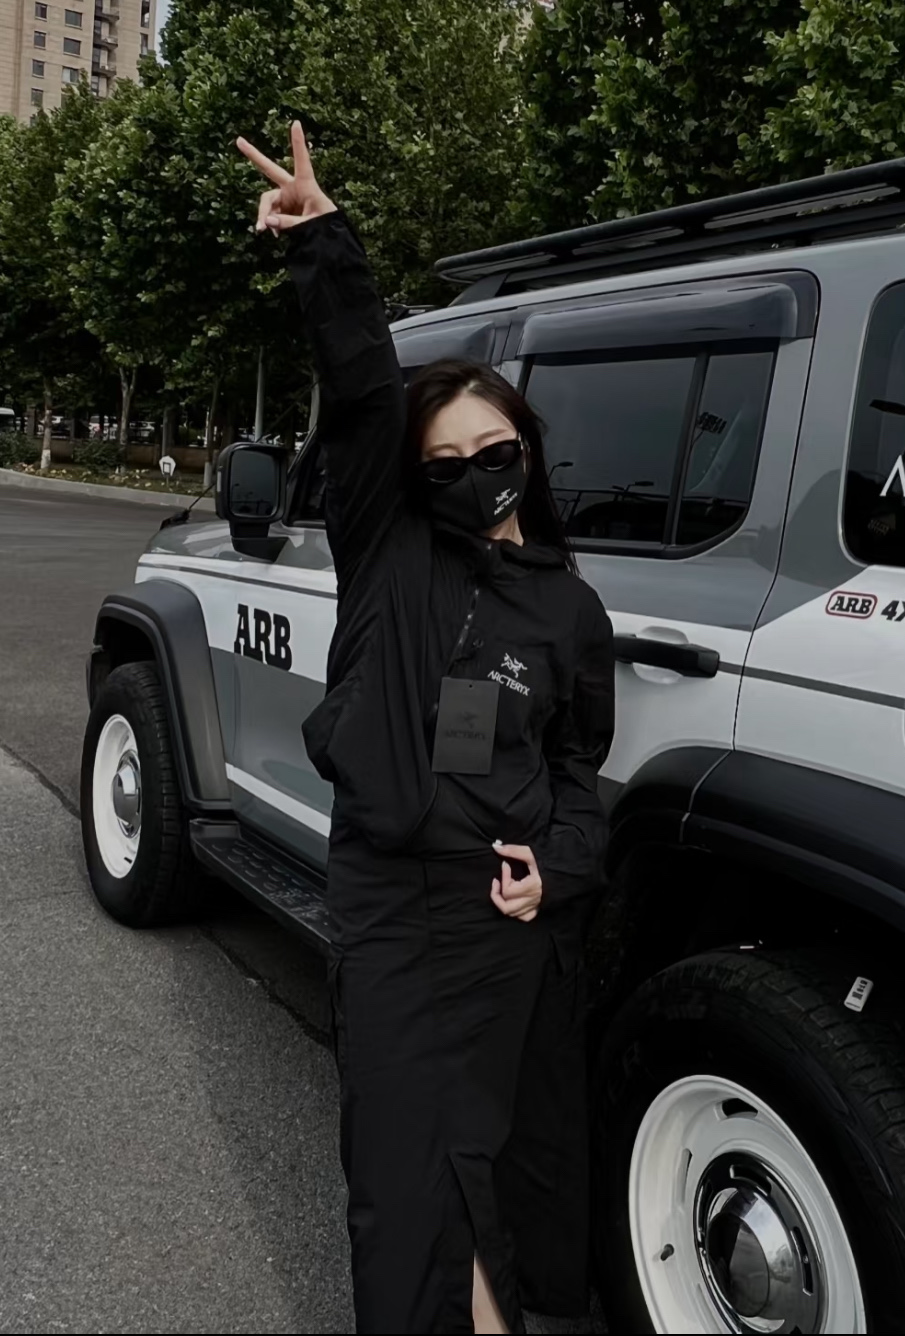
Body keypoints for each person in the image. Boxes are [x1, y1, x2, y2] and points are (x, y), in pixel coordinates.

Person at [236, 123, 616, 1335]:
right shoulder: (388, 546)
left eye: (490, 452)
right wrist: (323, 246)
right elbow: (358, 392)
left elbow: (578, 768)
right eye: (442, 459)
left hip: (498, 914)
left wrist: (558, 867)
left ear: (526, 452)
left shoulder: (569, 608)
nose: (469, 472)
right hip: (387, 898)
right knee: (400, 1163)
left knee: (483, 1144)